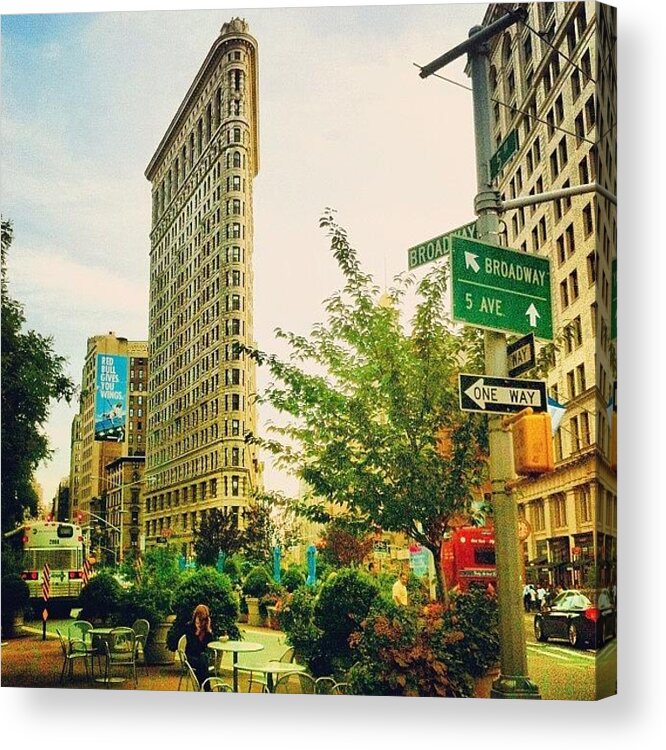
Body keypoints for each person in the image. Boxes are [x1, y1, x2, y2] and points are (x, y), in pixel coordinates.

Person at [185, 604, 215, 691]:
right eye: (201, 619)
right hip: (191, 657)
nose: (203, 622)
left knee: (203, 659)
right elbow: (194, 648)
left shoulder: (206, 630)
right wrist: (197, 632)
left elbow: (209, 645)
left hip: (202, 658)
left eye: (205, 619)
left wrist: (209, 631)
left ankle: (199, 687)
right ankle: (207, 689)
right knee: (203, 660)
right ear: (196, 617)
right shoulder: (189, 627)